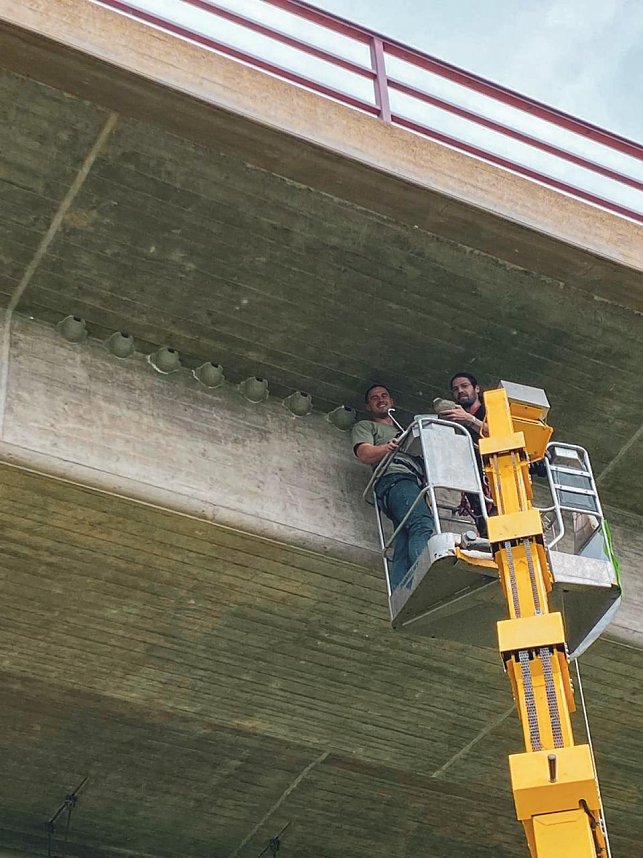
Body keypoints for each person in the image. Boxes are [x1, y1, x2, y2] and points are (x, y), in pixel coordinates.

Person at [351, 384, 434, 590]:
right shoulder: (367, 426)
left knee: (405, 537)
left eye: (384, 395)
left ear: (392, 401)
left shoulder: (405, 431)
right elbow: (364, 453)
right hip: (396, 480)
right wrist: (387, 448)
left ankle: (402, 590)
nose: (380, 399)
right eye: (374, 398)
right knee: (422, 524)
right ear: (368, 406)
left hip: (411, 483)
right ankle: (425, 576)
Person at [439, 372, 490, 536]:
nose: (460, 391)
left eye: (464, 386)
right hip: (474, 485)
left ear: (476, 389)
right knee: (485, 529)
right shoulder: (456, 420)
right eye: (455, 389)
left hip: (498, 478)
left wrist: (470, 420)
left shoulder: (490, 409)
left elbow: (501, 435)